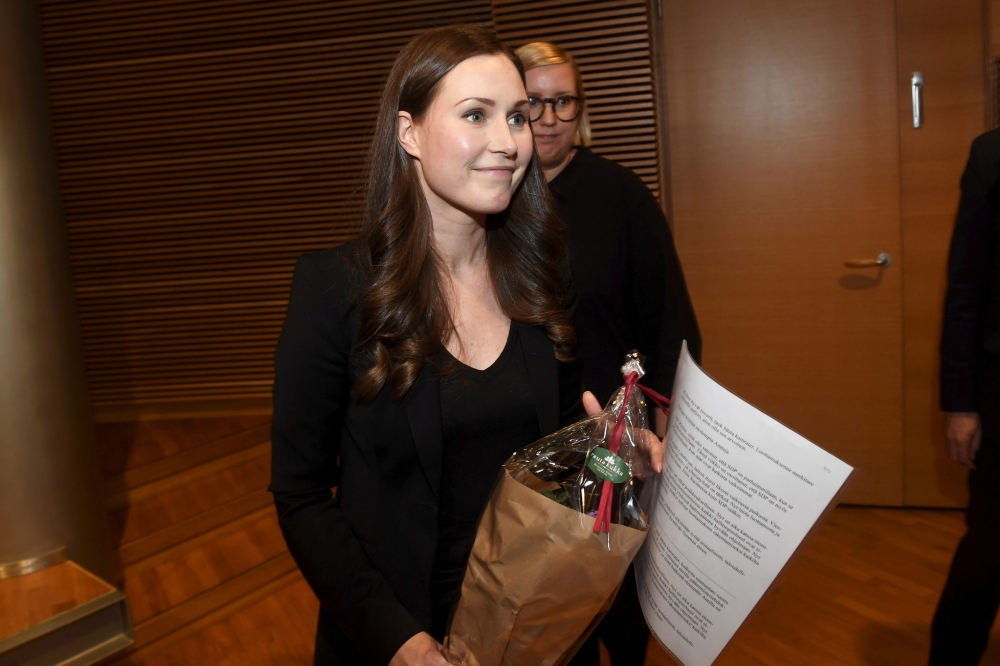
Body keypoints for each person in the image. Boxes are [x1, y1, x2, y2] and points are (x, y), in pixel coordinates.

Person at [269, 26, 666, 666]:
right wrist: (398, 640)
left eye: (516, 117)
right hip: (398, 631)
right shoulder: (334, 291)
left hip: (539, 626)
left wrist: (615, 464)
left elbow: (556, 466)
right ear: (410, 133)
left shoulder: (544, 276)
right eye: (476, 115)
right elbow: (302, 495)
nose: (507, 142)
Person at [516, 42, 701, 665]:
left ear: (580, 108)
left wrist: (666, 419)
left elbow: (669, 315)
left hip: (611, 431)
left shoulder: (619, 194)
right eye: (532, 102)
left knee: (615, 594)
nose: (548, 117)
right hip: (519, 431)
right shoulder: (491, 196)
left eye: (562, 101)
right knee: (543, 597)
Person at [931, 128, 1000, 665]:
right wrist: (960, 402)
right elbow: (966, 287)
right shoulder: (992, 153)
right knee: (991, 544)